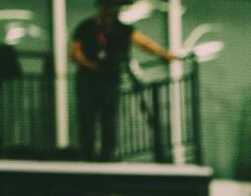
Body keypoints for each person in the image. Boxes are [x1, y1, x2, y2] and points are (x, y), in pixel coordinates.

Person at [70, 0, 175, 162]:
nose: (111, 11)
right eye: (108, 7)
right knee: (87, 119)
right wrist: (92, 65)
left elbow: (144, 43)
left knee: (109, 119)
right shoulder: (86, 27)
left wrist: (163, 54)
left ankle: (107, 155)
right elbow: (75, 53)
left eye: (114, 8)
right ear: (101, 8)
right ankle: (88, 156)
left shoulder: (121, 29)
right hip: (88, 82)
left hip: (109, 82)